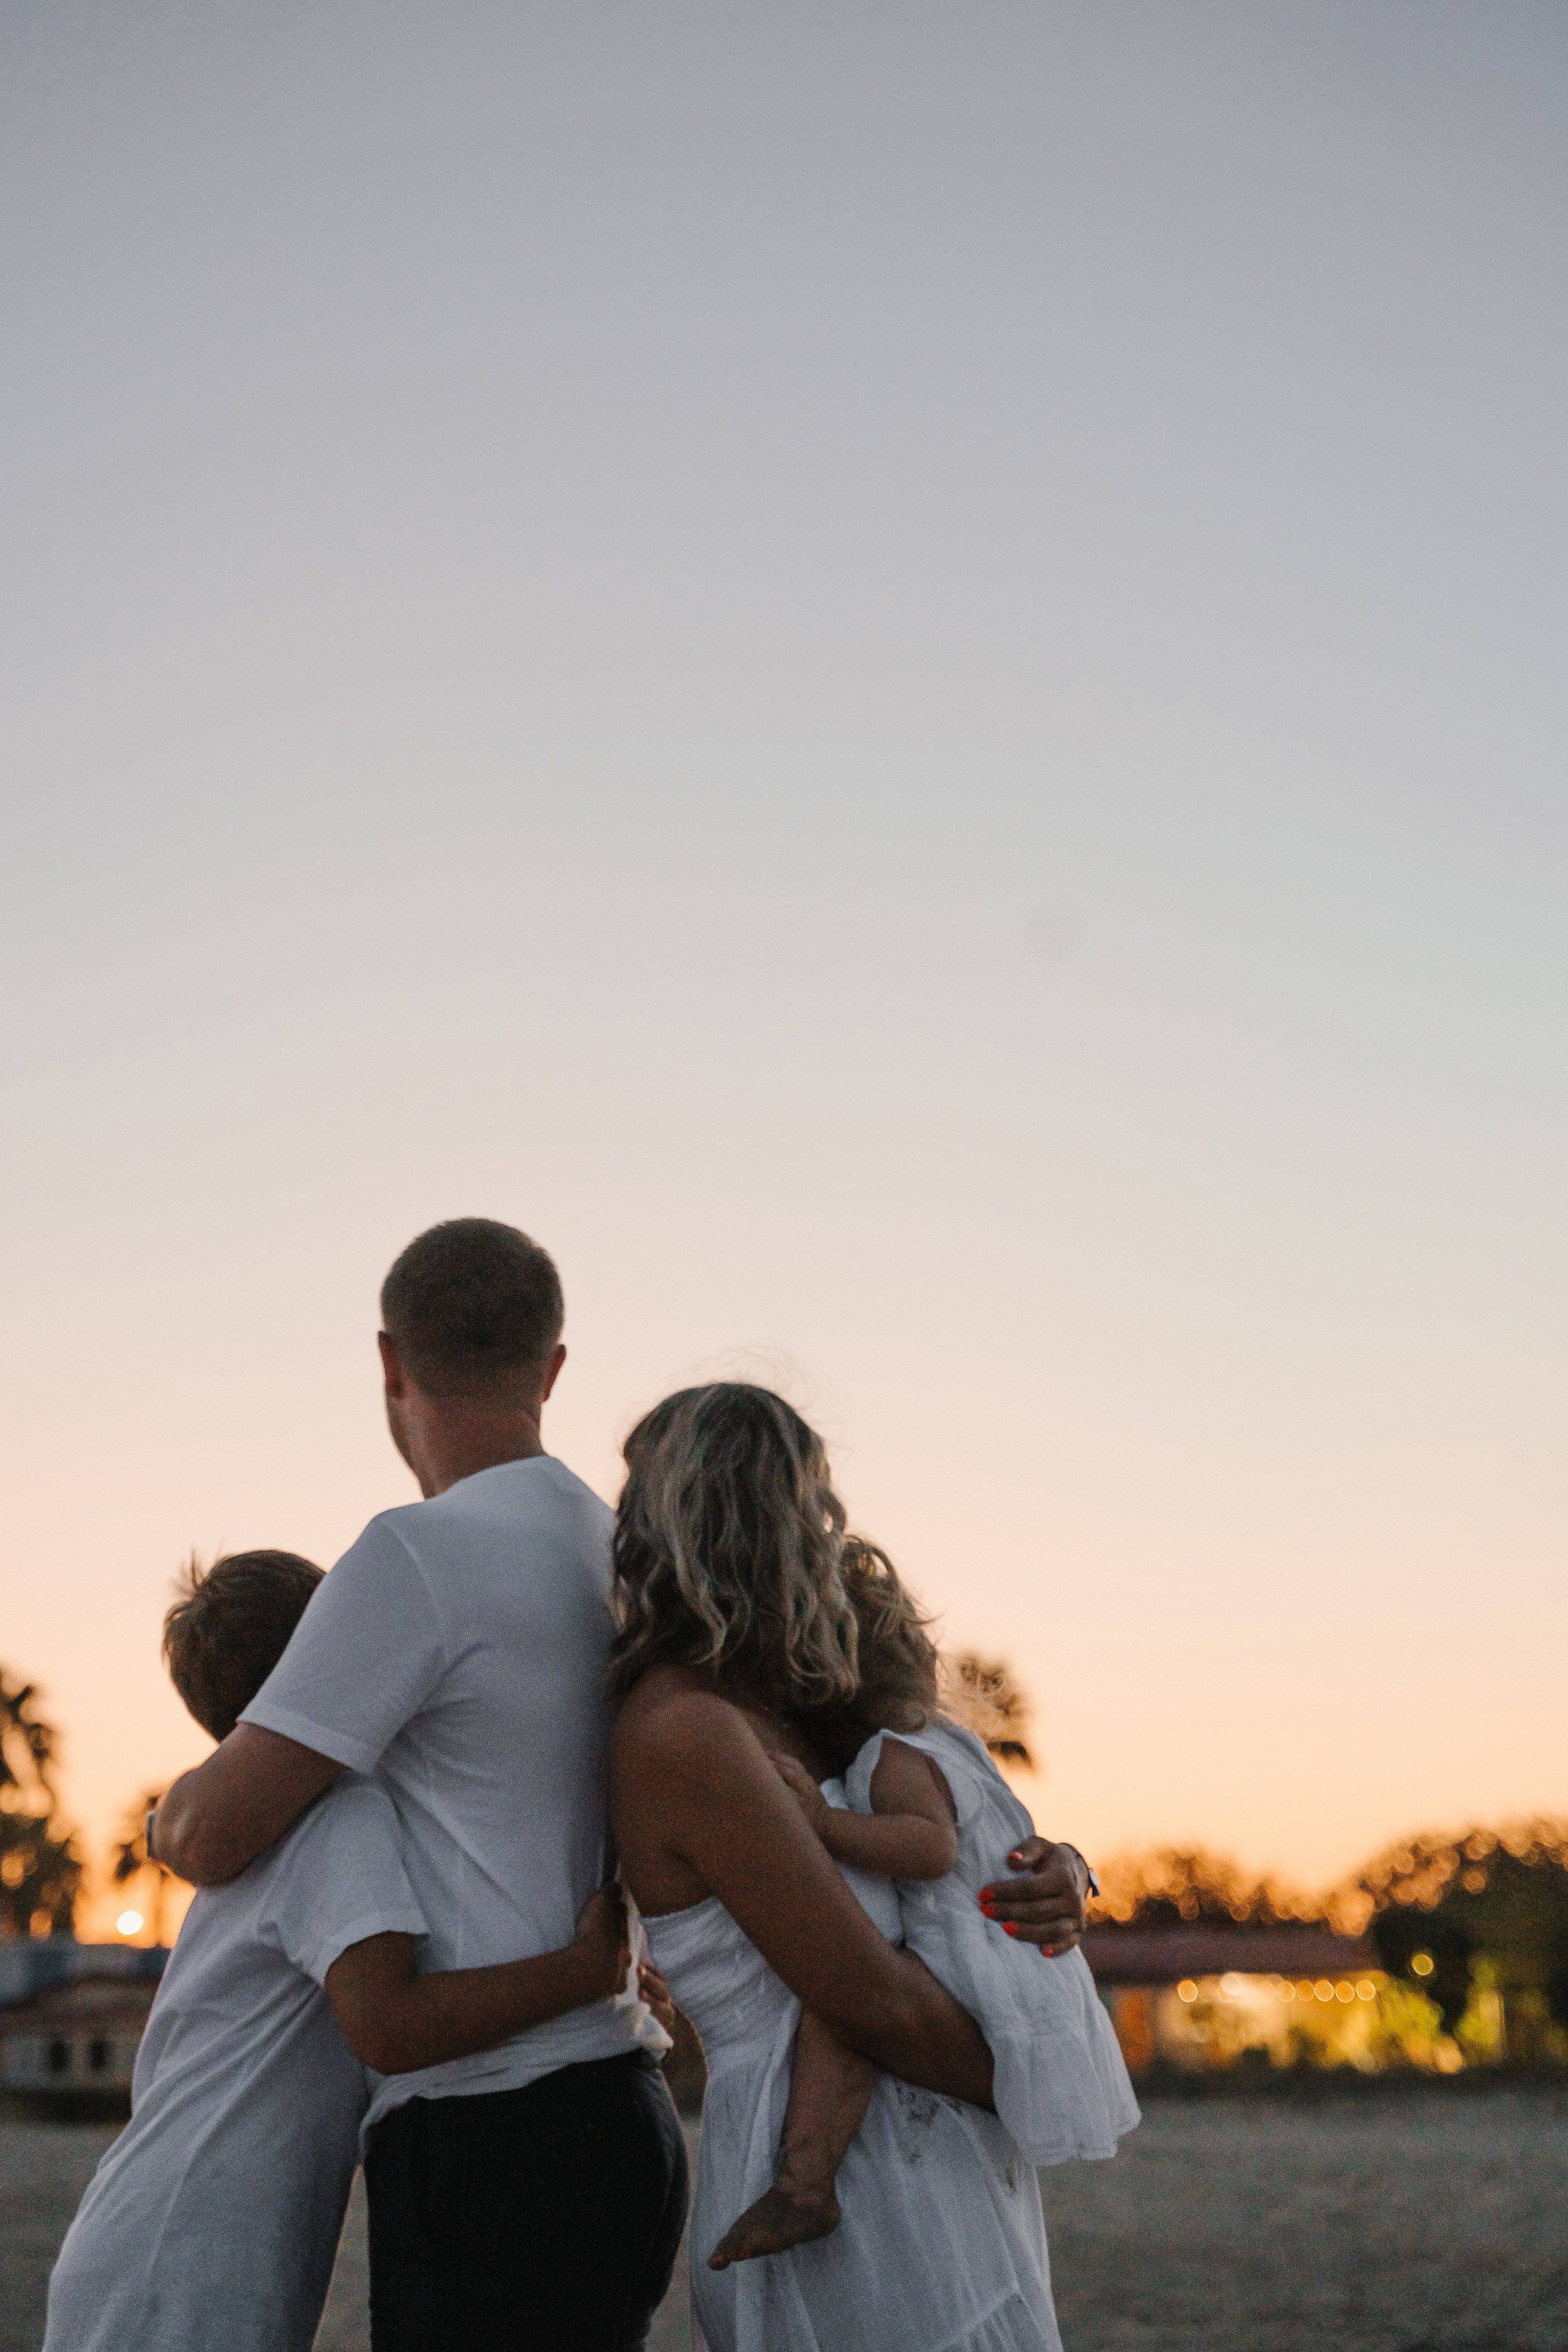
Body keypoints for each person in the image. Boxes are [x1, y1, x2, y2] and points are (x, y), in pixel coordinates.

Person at [151, 1221, 687, 2351]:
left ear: (391, 1363)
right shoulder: (625, 1557)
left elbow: (212, 1832)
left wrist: (172, 1808)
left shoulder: (411, 1558)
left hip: (495, 2131)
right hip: (623, 2113)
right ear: (551, 1370)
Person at [608, 1381, 1106, 2352]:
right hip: (843, 2184)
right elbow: (872, 2002)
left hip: (935, 2168)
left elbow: (933, 1861)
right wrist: (1040, 2067)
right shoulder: (686, 1732)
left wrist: (1058, 1875)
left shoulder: (809, 1710)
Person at [47, 1550, 633, 2352]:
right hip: (190, 2255)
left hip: (158, 2234)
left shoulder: (267, 1823)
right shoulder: (337, 1818)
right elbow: (387, 2026)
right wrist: (585, 1973)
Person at [706, 1544, 1138, 2269]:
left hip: (961, 1952)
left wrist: (818, 1824)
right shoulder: (952, 1744)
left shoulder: (892, 1756)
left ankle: (807, 2182)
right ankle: (807, 2184)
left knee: (838, 1998)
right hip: (999, 1953)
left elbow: (928, 1849)